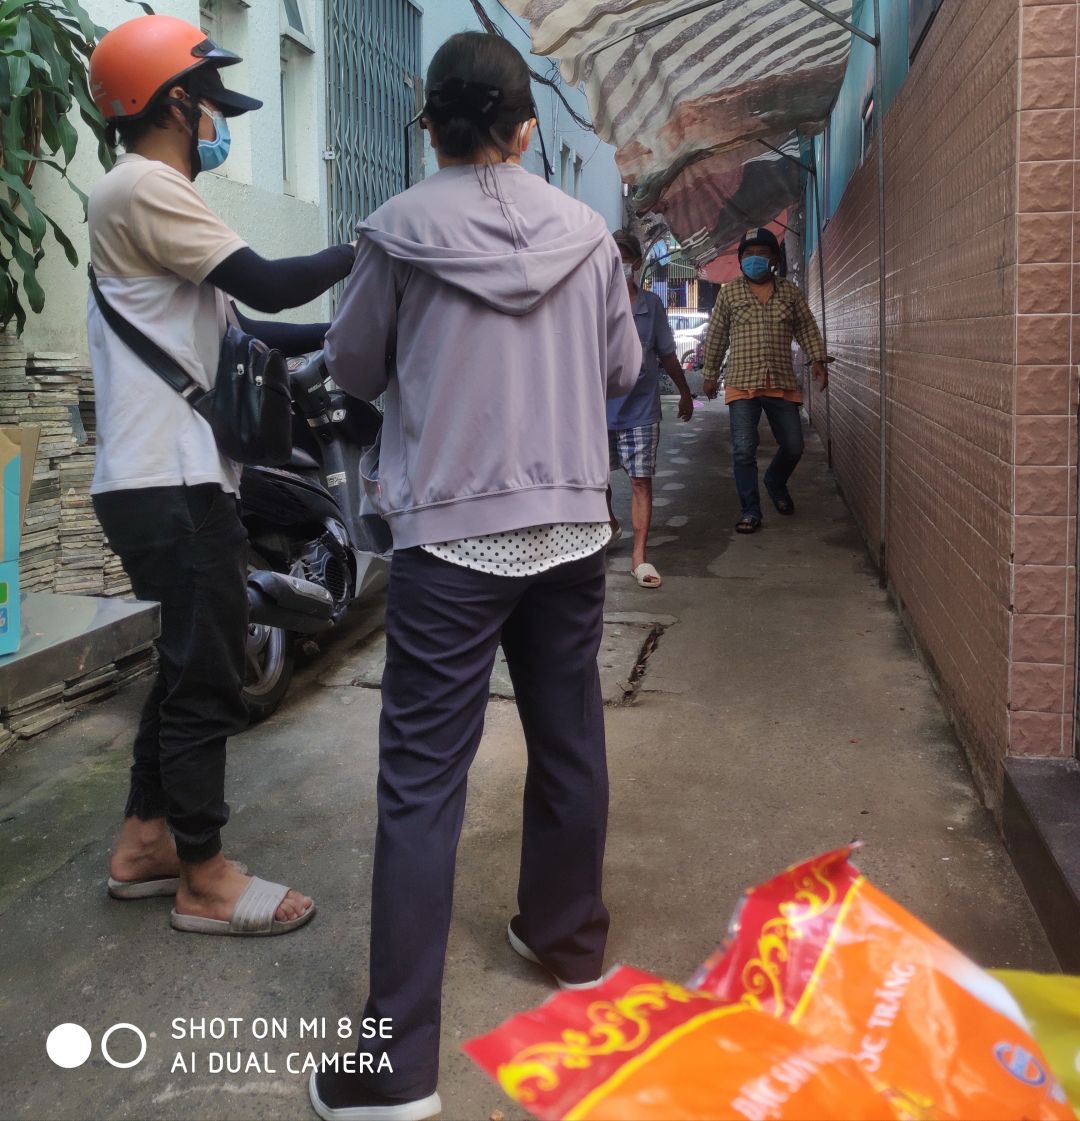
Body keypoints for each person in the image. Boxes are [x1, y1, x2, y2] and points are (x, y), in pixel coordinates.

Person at [311, 31, 641, 1121]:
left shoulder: (397, 231)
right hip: (570, 524)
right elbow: (621, 366)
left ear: (432, 129)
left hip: (452, 535)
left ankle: (397, 1070)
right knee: (571, 738)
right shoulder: (589, 236)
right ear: (526, 128)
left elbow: (353, 365)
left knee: (422, 786)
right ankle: (569, 942)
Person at [87, 15, 357, 936]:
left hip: (169, 473)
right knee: (209, 674)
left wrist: (344, 332)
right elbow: (272, 282)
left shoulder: (145, 202)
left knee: (187, 661)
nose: (218, 124)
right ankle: (204, 877)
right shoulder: (145, 186)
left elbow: (251, 327)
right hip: (169, 476)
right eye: (211, 105)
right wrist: (368, 248)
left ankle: (145, 842)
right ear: (174, 103)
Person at [701, 227, 828, 533]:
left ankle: (775, 481)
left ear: (774, 259)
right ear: (741, 260)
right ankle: (750, 511)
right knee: (744, 450)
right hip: (742, 383)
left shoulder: (789, 293)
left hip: (780, 381)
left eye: (762, 254)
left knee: (794, 446)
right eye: (748, 254)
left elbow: (806, 327)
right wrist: (709, 375)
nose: (754, 259)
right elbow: (717, 336)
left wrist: (817, 359)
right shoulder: (729, 293)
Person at [606, 230, 695, 588]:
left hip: (640, 409)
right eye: (613, 257)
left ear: (637, 262)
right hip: (597, 409)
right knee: (595, 481)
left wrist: (685, 392)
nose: (619, 264)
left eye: (625, 258)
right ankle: (609, 523)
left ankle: (639, 557)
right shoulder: (592, 302)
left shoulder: (651, 306)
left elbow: (668, 354)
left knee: (640, 480)